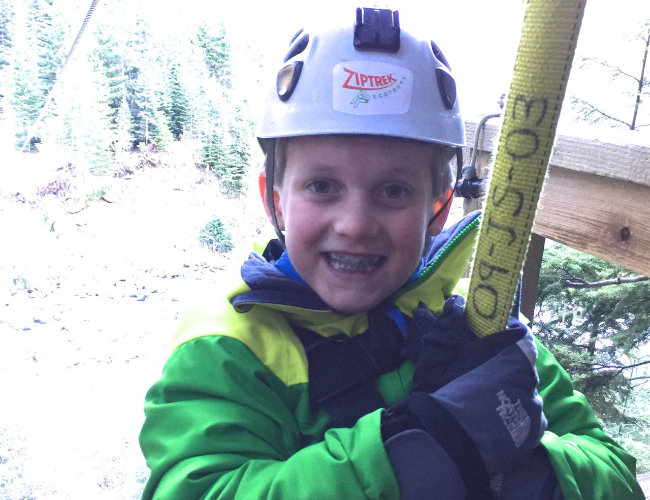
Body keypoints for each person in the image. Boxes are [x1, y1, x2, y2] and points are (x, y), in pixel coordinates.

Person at [139, 7, 644, 499]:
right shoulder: (228, 346)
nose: (356, 224)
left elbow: (613, 473)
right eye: (322, 186)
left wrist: (535, 472)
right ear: (274, 198)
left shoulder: (478, 321)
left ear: (439, 208)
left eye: (394, 192)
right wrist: (419, 449)